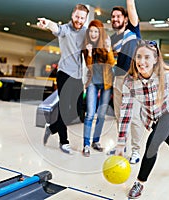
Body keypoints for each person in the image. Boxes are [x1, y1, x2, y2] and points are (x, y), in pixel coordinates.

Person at [115, 40, 169, 199]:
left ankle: (139, 183)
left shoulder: (167, 76)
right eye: (139, 57)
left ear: (155, 59)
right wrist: (121, 141)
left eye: (147, 57)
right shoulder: (130, 82)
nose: (142, 62)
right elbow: (125, 111)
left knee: (152, 144)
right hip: (152, 117)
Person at [37, 4, 89, 154]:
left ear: (85, 19)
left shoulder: (85, 32)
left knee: (77, 111)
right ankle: (63, 141)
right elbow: (56, 28)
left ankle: (52, 127)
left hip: (78, 76)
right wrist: (47, 23)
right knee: (64, 109)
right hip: (64, 73)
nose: (79, 20)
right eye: (77, 16)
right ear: (72, 16)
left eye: (82, 18)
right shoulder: (66, 29)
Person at [108, 0, 144, 164]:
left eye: (118, 16)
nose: (115, 19)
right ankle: (121, 146)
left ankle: (136, 151)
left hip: (134, 80)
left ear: (126, 19)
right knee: (118, 116)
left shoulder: (133, 30)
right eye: (113, 16)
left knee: (134, 117)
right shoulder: (113, 38)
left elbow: (131, 7)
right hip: (118, 79)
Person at [81, 20, 116, 157]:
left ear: (100, 32)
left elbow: (112, 63)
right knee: (90, 114)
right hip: (92, 83)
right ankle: (86, 144)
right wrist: (89, 53)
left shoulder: (106, 43)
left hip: (106, 84)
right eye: (91, 31)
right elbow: (88, 66)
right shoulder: (87, 46)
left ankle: (96, 141)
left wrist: (109, 50)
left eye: (96, 31)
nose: (93, 33)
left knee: (101, 115)